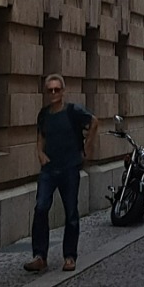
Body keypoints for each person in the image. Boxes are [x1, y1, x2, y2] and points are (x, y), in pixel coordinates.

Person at [25, 73, 96, 273]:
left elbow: (94, 122)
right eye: (50, 90)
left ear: (63, 91)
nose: (54, 93)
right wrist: (40, 153)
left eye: (57, 89)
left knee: (71, 211)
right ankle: (40, 256)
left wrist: (87, 147)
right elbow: (41, 135)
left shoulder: (73, 111)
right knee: (41, 207)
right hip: (49, 169)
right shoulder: (44, 114)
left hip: (69, 168)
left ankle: (70, 256)